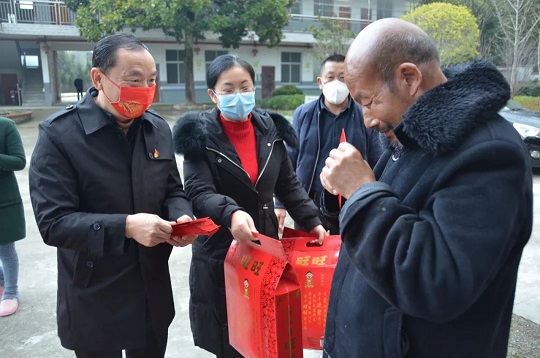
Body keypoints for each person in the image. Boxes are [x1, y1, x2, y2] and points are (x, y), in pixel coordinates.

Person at [319, 18, 533, 357]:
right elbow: (382, 226)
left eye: (368, 100)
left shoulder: (489, 153)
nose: (367, 119)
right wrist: (343, 192)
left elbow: (437, 281)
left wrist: (362, 193)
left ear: (409, 78)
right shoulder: (411, 135)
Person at [29, 33, 197, 358]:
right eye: (134, 80)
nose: (145, 89)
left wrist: (181, 215)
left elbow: (173, 189)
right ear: (98, 78)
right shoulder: (59, 136)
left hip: (150, 286)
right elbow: (54, 223)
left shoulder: (157, 128)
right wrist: (127, 226)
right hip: (95, 290)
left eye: (151, 80)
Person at [172, 54, 326, 357]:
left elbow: (288, 184)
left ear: (255, 88)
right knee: (230, 337)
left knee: (266, 333)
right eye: (228, 89)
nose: (238, 95)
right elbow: (198, 190)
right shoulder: (198, 136)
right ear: (213, 95)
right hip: (220, 252)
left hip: (264, 246)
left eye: (244, 87)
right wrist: (232, 212)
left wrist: (312, 220)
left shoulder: (272, 130)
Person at [274, 54, 382, 235]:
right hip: (309, 202)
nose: (337, 83)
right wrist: (280, 203)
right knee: (310, 256)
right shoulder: (303, 114)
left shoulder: (364, 114)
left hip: (352, 199)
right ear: (320, 82)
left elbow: (376, 158)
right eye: (330, 77)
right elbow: (289, 159)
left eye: (342, 78)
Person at [0, 116, 26, 317]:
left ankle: (11, 291)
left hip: (3, 200)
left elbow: (19, 160)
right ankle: (2, 282)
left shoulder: (6, 126)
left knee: (5, 247)